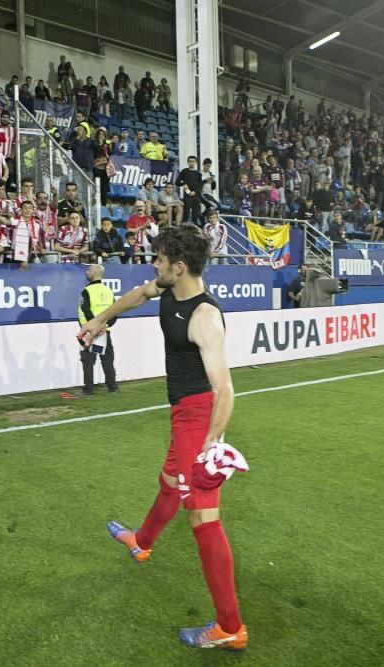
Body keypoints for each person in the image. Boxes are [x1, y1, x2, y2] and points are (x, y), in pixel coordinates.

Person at [78, 223, 248, 651]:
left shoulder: (205, 317)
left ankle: (230, 627)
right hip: (180, 414)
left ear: (181, 266)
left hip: (198, 417)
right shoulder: (169, 288)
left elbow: (225, 389)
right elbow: (139, 294)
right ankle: (142, 542)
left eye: (158, 260)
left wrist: (211, 442)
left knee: (203, 518)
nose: (152, 266)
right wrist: (100, 319)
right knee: (169, 481)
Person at [77, 263, 118, 396]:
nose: (86, 272)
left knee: (88, 360)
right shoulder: (108, 291)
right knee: (107, 359)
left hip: (90, 333)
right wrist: (104, 326)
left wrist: (94, 327)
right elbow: (114, 312)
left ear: (94, 273)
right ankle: (112, 387)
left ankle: (88, 389)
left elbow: (86, 310)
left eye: (89, 270)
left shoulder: (86, 291)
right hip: (104, 332)